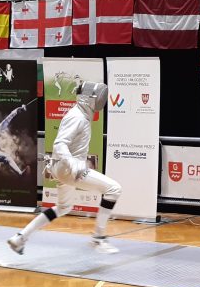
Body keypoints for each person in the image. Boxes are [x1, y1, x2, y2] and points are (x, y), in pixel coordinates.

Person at [7, 82, 122, 255]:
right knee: (114, 189)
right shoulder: (77, 117)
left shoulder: (82, 114)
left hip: (62, 168)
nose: (101, 100)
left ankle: (20, 238)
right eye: (99, 97)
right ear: (89, 99)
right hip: (69, 169)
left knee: (63, 207)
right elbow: (60, 143)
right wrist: (72, 163)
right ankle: (98, 238)